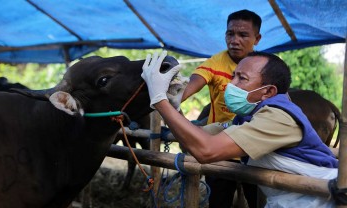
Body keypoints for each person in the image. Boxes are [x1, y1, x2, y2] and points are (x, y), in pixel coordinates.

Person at [141, 51, 338, 208]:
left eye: (241, 78)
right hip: (292, 198)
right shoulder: (249, 117)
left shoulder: (278, 117)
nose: (231, 84)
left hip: (323, 198)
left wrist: (159, 100)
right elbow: (197, 139)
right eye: (233, 76)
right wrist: (174, 107)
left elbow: (206, 150)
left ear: (268, 91)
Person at [181, 9, 262, 207]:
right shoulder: (215, 63)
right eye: (230, 34)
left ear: (257, 38)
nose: (235, 40)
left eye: (243, 35)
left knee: (258, 203)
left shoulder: (265, 66)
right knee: (218, 203)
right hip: (221, 150)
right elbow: (190, 86)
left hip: (257, 150)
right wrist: (174, 96)